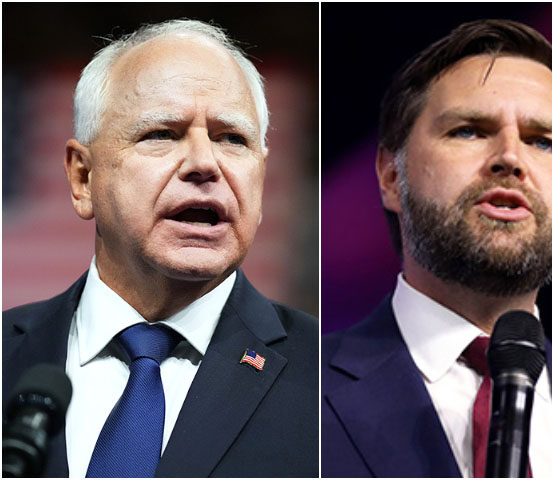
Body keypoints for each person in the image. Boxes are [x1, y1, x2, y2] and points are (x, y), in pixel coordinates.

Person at [322, 19, 552, 478]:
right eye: (470, 130)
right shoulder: (287, 398)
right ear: (392, 175)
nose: (511, 157)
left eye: (543, 142)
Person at [3, 19, 317, 478]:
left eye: (233, 138)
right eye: (162, 134)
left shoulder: (330, 381)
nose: (205, 164)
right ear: (82, 178)